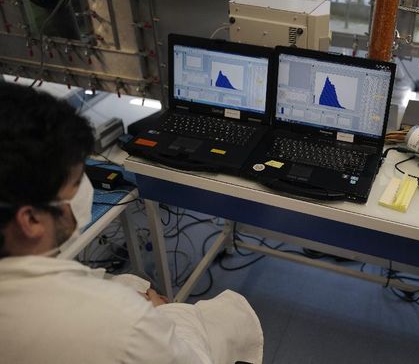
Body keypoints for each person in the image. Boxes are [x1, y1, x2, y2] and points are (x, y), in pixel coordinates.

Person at [0, 82, 263, 364]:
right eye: (77, 182)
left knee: (129, 281)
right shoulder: (125, 324)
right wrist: (164, 312)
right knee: (230, 316)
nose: (86, 189)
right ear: (30, 220)